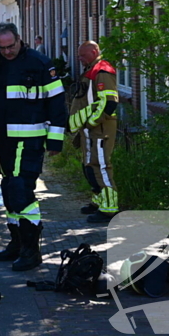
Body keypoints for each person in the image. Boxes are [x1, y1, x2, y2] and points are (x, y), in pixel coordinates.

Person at [0, 22, 67, 271]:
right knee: (9, 190)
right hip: (6, 140)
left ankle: (32, 251)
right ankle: (17, 244)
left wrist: (55, 139)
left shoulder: (40, 63)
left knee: (20, 190)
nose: (7, 51)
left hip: (30, 138)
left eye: (11, 46)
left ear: (19, 39)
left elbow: (57, 103)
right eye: (2, 47)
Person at [69, 41, 120, 224]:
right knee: (89, 167)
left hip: (100, 130)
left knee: (101, 167)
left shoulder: (102, 70)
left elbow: (109, 102)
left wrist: (90, 122)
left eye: (83, 55)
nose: (80, 59)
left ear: (94, 51)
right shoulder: (92, 69)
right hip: (90, 131)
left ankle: (109, 210)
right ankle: (98, 202)